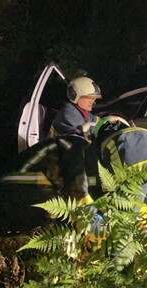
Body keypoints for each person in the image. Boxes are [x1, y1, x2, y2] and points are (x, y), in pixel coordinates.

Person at [48, 76, 102, 206]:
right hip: (60, 163)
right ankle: (82, 202)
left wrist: (111, 120)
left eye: (94, 98)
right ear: (75, 96)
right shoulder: (69, 113)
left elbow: (96, 121)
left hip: (72, 160)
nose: (93, 101)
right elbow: (80, 137)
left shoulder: (83, 113)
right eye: (89, 97)